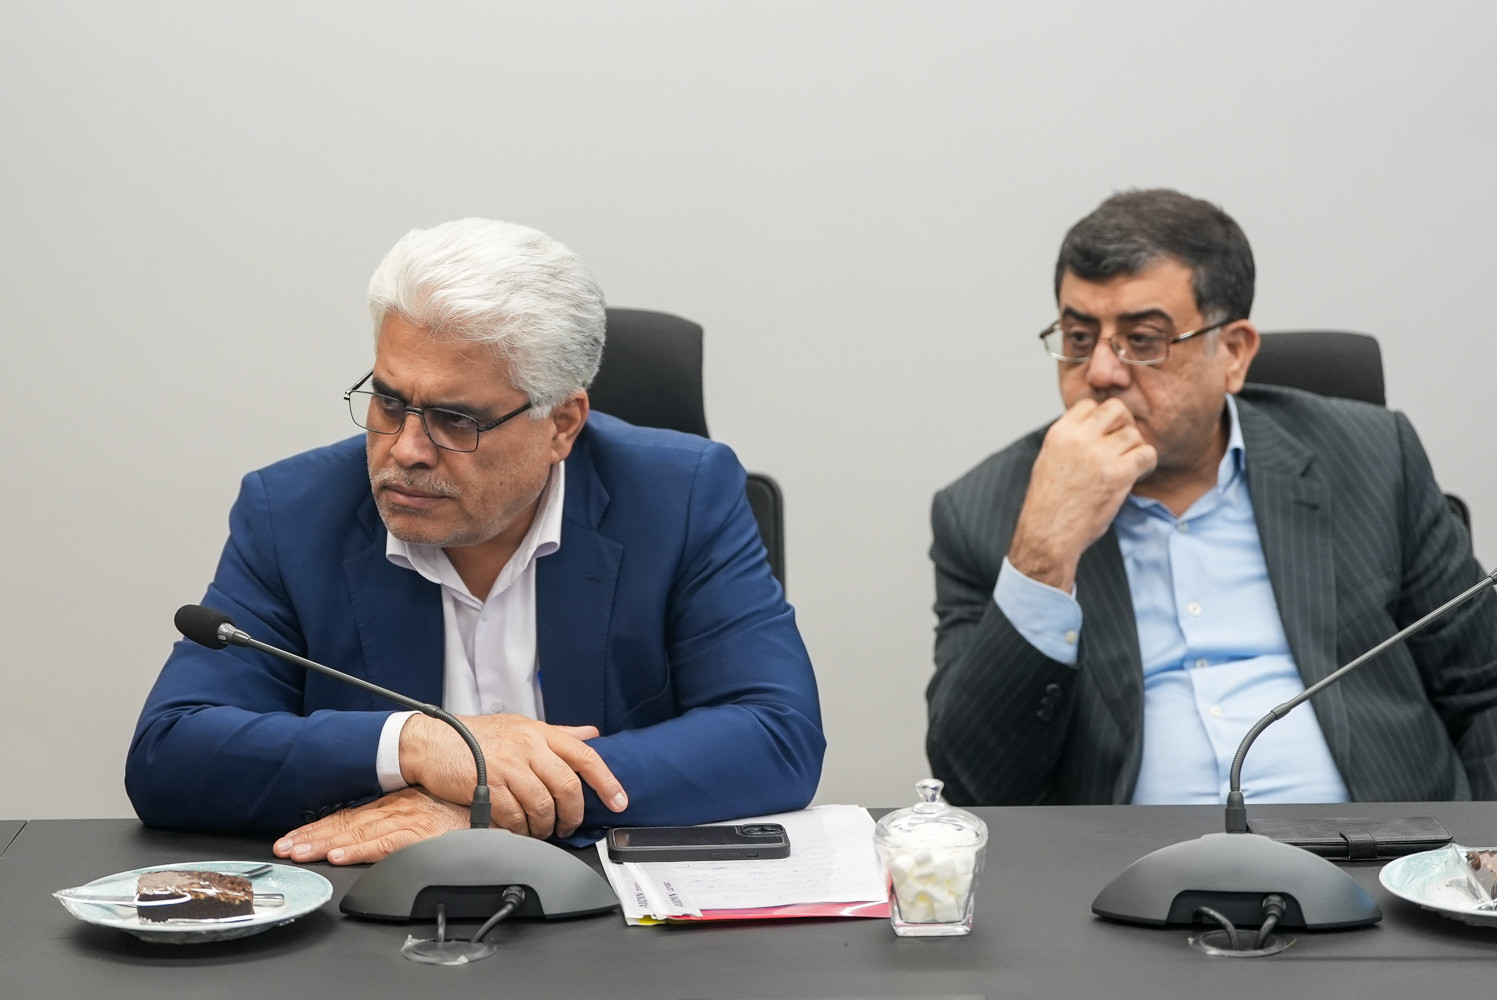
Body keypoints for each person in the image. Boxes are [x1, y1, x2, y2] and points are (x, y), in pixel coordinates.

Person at [127, 218, 824, 862]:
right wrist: (416, 743)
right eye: (389, 401)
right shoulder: (293, 511)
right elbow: (170, 752)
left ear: (562, 424)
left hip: (609, 917)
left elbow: (775, 734)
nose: (406, 450)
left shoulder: (681, 496)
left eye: (455, 419)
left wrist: (490, 810)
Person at [926, 189, 1497, 808]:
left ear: (1232, 352)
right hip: (1129, 864)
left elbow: (1485, 689)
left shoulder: (1373, 457)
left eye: (1143, 339)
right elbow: (974, 785)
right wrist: (1043, 553)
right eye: (1079, 336)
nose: (1101, 372)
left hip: (1379, 850)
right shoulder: (985, 512)